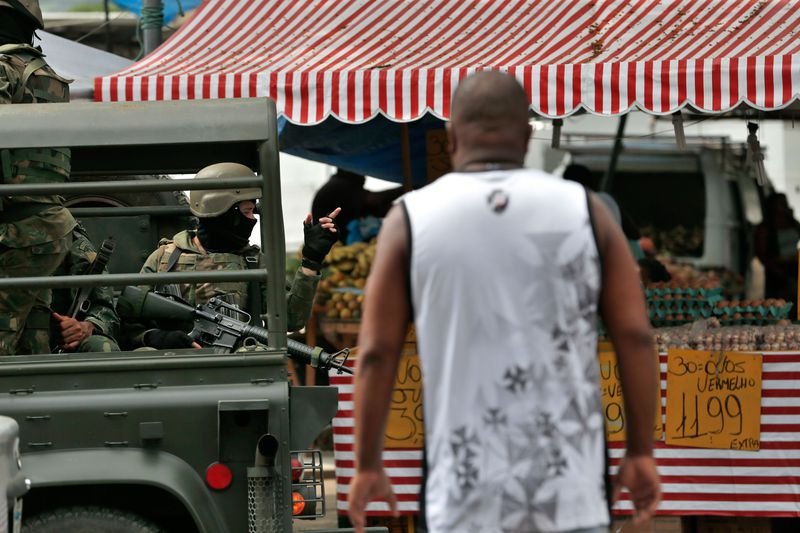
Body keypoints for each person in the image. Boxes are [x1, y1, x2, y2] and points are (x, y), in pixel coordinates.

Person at [348, 71, 661, 533]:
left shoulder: (411, 218)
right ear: (527, 131)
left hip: (462, 493)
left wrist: (367, 464)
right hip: (569, 491)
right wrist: (639, 452)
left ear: (452, 136)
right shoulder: (586, 210)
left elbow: (375, 352)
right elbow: (635, 335)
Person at [122, 162, 339, 350]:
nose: (252, 220)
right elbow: (127, 321)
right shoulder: (164, 258)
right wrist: (158, 338)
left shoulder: (253, 261)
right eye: (246, 212)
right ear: (222, 212)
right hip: (173, 367)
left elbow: (290, 319)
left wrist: (311, 261)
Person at [0, 0, 77, 355]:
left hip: (16, 230)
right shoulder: (47, 75)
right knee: (31, 335)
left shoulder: (3, 69)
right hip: (46, 227)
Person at [18, 224, 120, 353]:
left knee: (101, 347)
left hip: (60, 342)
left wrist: (86, 326)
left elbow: (104, 307)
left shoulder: (69, 239)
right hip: (10, 340)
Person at [311, 168, 404, 244]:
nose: (364, 177)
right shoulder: (339, 185)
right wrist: (408, 186)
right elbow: (374, 200)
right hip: (333, 247)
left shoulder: (347, 189)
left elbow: (377, 208)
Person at [754, 192, 800, 305]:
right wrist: (777, 271)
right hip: (777, 272)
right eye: (780, 204)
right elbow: (761, 254)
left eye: (784, 203)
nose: (783, 206)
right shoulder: (766, 227)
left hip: (795, 268)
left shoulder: (792, 222)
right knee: (779, 304)